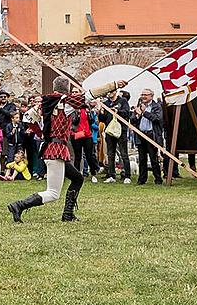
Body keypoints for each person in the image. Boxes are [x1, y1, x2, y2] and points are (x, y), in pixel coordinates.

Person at [7, 76, 123, 223]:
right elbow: (91, 94)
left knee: (77, 178)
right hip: (55, 150)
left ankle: (67, 214)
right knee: (53, 193)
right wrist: (114, 84)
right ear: (67, 89)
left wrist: (41, 133)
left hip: (52, 148)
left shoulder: (43, 102)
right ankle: (19, 205)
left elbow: (27, 118)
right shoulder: (65, 102)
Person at [130, 89, 164, 186]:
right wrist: (136, 115)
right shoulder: (139, 105)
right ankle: (142, 179)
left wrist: (144, 112)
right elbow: (132, 120)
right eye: (142, 94)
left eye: (145, 95)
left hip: (151, 135)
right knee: (142, 159)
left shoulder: (156, 106)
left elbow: (157, 119)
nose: (143, 96)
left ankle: (158, 179)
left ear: (151, 96)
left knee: (153, 158)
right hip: (141, 135)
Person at [99, 88, 132, 184]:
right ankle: (111, 175)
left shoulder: (123, 101)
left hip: (121, 130)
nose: (109, 94)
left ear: (115, 92)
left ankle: (127, 175)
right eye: (107, 92)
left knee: (124, 153)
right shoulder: (105, 103)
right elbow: (102, 119)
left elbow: (127, 113)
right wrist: (101, 113)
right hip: (109, 131)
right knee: (110, 154)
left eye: (111, 92)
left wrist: (118, 111)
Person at [68, 86, 99, 182]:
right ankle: (77, 175)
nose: (74, 94)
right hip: (76, 134)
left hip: (87, 134)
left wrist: (90, 113)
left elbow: (92, 120)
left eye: (76, 92)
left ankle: (93, 173)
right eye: (73, 92)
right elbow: (72, 122)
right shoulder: (70, 107)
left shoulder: (86, 107)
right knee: (77, 156)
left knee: (90, 155)